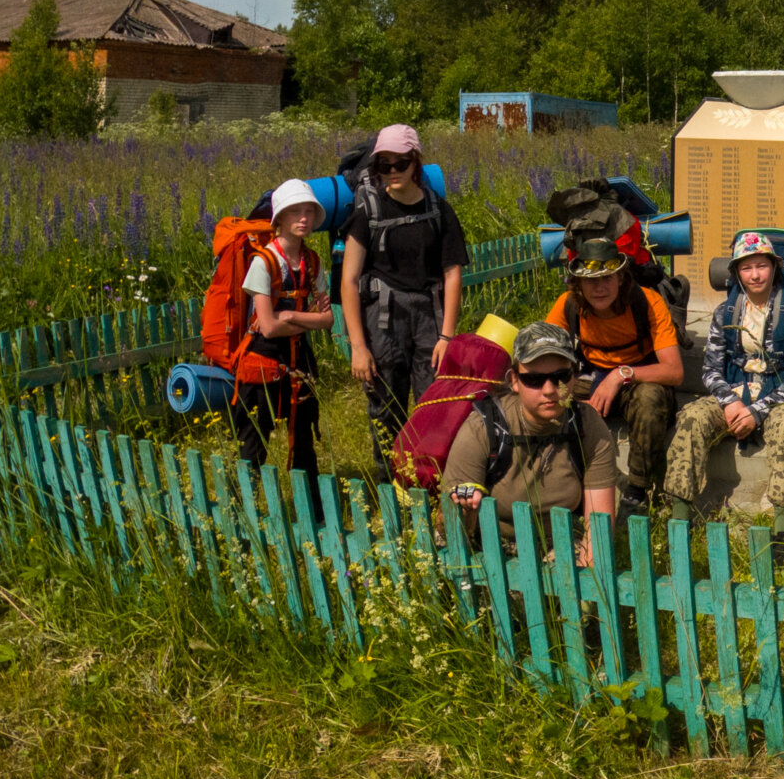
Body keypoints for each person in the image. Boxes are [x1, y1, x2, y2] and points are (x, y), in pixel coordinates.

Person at [342, 124, 468, 468]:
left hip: (430, 317)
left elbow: (452, 273)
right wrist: (358, 346)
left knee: (434, 406)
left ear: (416, 162)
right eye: (384, 165)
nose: (393, 172)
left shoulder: (438, 209)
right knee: (385, 409)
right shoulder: (367, 213)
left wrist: (447, 336)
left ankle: (428, 483)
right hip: (383, 320)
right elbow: (349, 280)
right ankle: (389, 488)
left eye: (401, 163)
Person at [441, 321, 618, 565]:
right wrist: (465, 509)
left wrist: (587, 583)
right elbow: (452, 528)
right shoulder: (483, 427)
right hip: (494, 547)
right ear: (514, 380)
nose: (549, 390)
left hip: (562, 544)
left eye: (561, 377)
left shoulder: (587, 427)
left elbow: (597, 530)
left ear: (575, 376)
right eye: (534, 379)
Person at [686, 230, 784, 533]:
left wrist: (756, 411)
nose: (755, 275)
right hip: (735, 394)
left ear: (774, 268)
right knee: (692, 418)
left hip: (779, 398)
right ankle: (681, 515)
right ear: (737, 273)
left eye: (762, 266)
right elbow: (710, 369)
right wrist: (729, 401)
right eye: (747, 268)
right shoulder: (726, 314)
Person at [543, 236, 686, 511]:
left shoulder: (648, 302)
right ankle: (558, 481)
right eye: (591, 280)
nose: (599, 287)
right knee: (548, 393)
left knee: (650, 398)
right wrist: (569, 396)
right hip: (588, 377)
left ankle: (637, 490)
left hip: (639, 377)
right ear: (578, 283)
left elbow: (674, 372)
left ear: (621, 278)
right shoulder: (568, 304)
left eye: (607, 278)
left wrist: (619, 375)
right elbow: (545, 358)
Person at [234, 179, 335, 478]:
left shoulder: (313, 261)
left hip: (299, 361)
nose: (303, 218)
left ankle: (314, 512)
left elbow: (328, 320)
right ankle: (245, 509)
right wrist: (303, 317)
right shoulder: (263, 262)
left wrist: (289, 316)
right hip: (262, 362)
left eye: (308, 211)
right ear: (279, 218)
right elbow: (267, 327)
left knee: (304, 436)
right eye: (294, 212)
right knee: (253, 441)